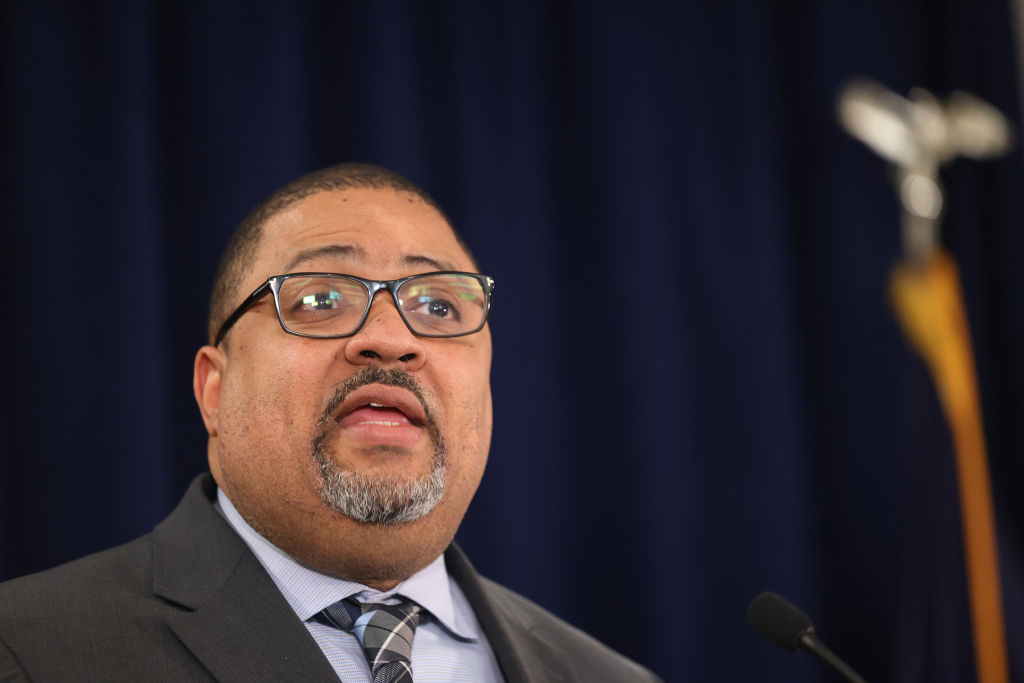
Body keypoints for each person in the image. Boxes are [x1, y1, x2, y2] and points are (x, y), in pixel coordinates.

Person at [0, 163, 661, 682]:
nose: (390, 338)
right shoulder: (27, 648)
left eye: (435, 303)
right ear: (214, 388)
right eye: (320, 298)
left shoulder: (611, 677)